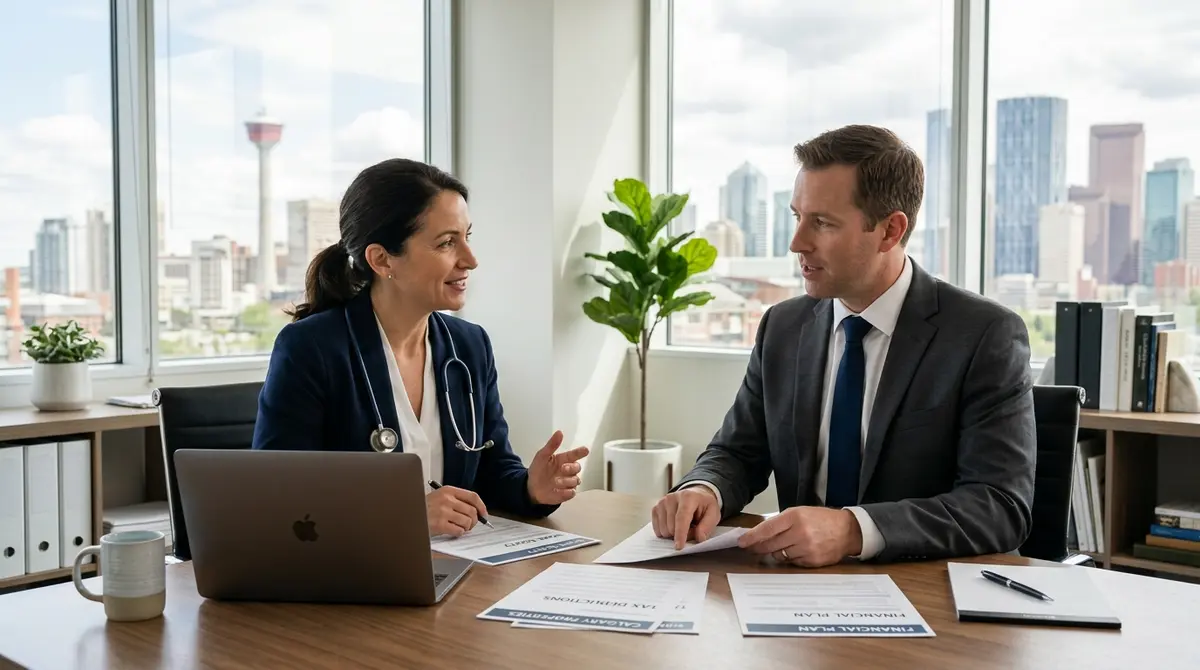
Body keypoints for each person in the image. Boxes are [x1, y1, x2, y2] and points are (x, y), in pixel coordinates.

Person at [651, 124, 1036, 567]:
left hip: (921, 588)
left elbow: (999, 506)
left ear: (890, 230)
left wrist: (853, 530)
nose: (797, 243)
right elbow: (738, 452)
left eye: (822, 223)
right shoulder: (783, 326)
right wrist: (705, 488)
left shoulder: (984, 335)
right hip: (796, 586)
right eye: (797, 216)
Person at [252, 158, 588, 538]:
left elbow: (492, 472)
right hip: (354, 568)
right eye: (447, 243)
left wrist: (531, 488)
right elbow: (280, 499)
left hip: (457, 563)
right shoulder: (311, 348)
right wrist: (403, 515)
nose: (471, 260)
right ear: (382, 259)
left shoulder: (470, 346)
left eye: (467, 237)